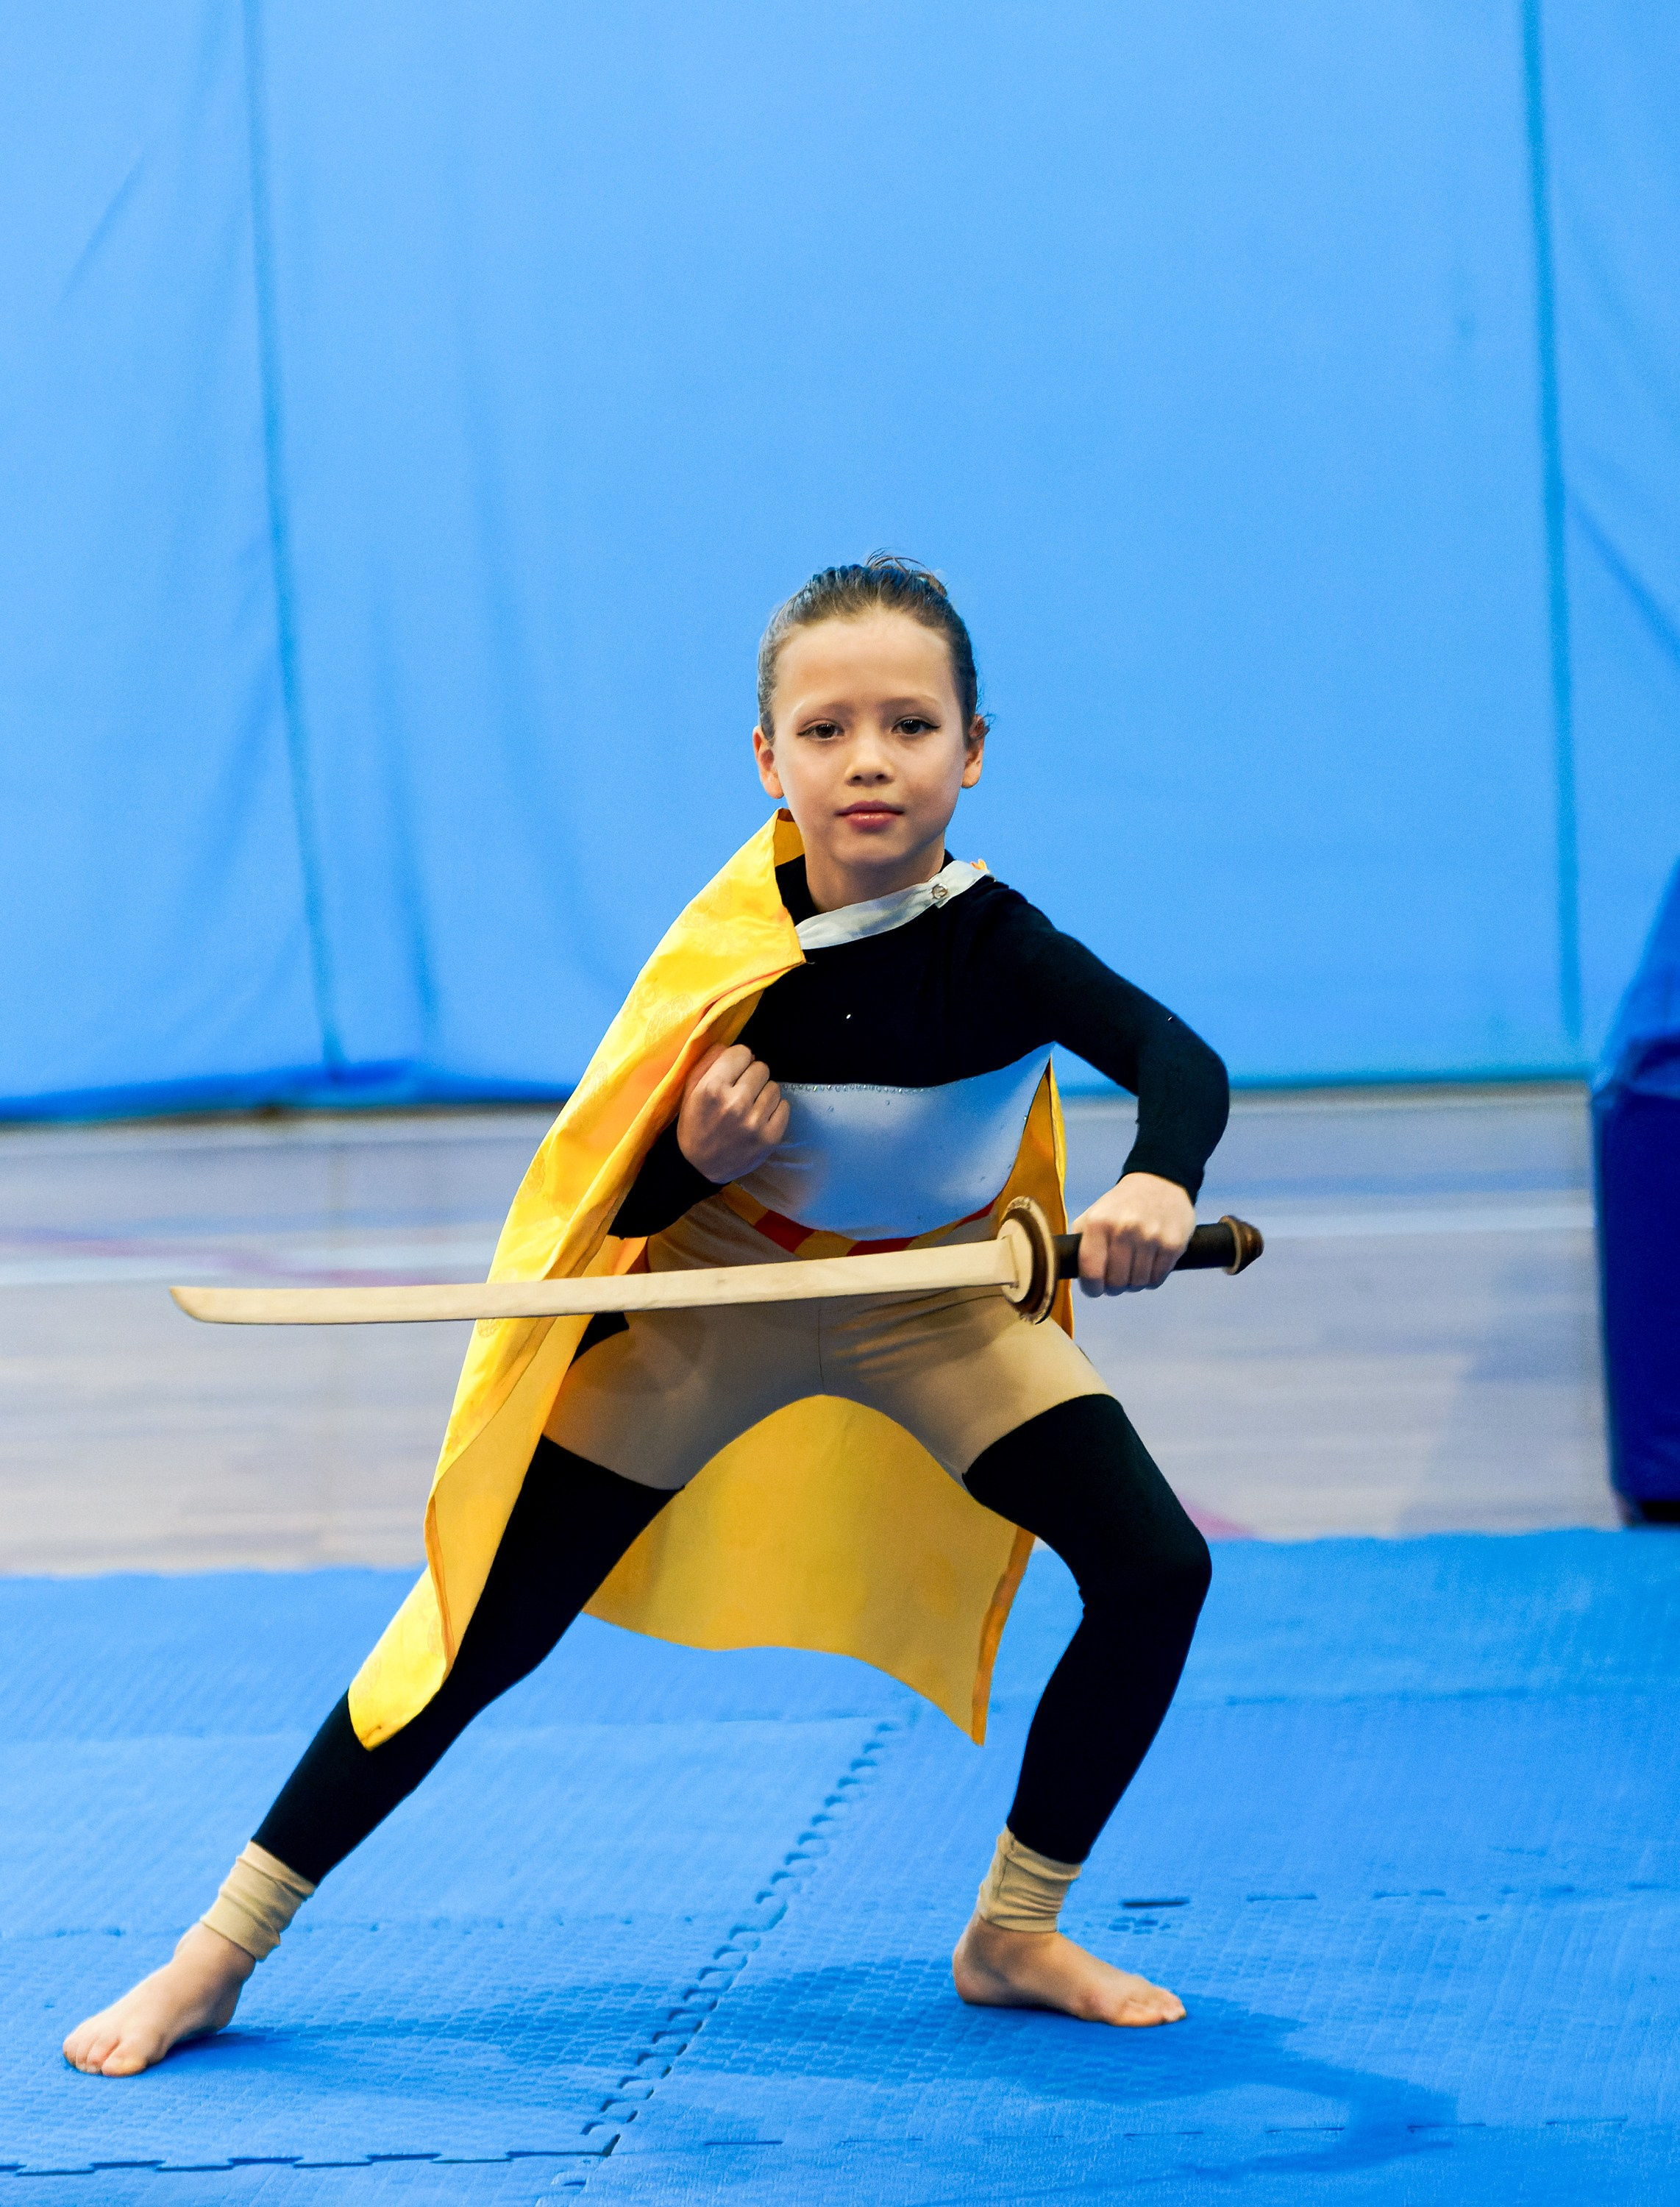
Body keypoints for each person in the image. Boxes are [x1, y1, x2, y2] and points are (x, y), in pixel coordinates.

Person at [65, 556, 1227, 2078]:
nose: (867, 760)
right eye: (822, 731)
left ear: (972, 750)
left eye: (908, 724)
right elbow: (594, 1209)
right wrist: (694, 1158)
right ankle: (214, 1952)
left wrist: (1158, 1179)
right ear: (766, 762)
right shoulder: (725, 958)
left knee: (1154, 1567)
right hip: (712, 1295)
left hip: (931, 1301)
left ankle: (1014, 1930)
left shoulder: (1001, 939)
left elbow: (1172, 1055)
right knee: (477, 1626)